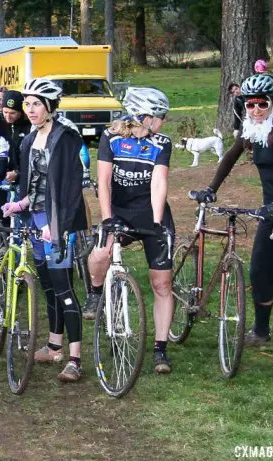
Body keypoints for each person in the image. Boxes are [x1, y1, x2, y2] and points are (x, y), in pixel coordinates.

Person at [191, 73, 273, 358]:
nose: (256, 110)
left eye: (262, 104)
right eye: (250, 105)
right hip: (270, 211)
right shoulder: (252, 128)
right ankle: (262, 331)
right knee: (259, 270)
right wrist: (211, 189)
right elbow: (230, 157)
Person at [1, 78, 87, 383]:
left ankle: (75, 358)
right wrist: (19, 204)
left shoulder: (66, 138)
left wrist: (57, 224)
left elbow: (70, 187)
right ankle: (53, 345)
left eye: (36, 103)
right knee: (48, 286)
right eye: (27, 103)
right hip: (34, 222)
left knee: (64, 287)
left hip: (59, 224)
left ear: (50, 106)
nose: (30, 109)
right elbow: (34, 185)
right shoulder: (28, 140)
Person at [85, 86, 175, 374]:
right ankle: (96, 292)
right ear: (143, 116)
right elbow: (104, 181)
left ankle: (160, 348)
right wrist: (108, 218)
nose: (163, 120)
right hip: (119, 209)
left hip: (150, 211)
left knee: (162, 284)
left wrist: (158, 221)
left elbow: (159, 182)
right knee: (101, 253)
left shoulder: (162, 143)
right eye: (160, 116)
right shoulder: (111, 138)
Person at [0, 90, 31, 185]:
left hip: (23, 179)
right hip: (1, 178)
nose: (8, 116)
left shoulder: (30, 126)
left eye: (12, 113)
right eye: (5, 112)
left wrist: (18, 172)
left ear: (21, 112)